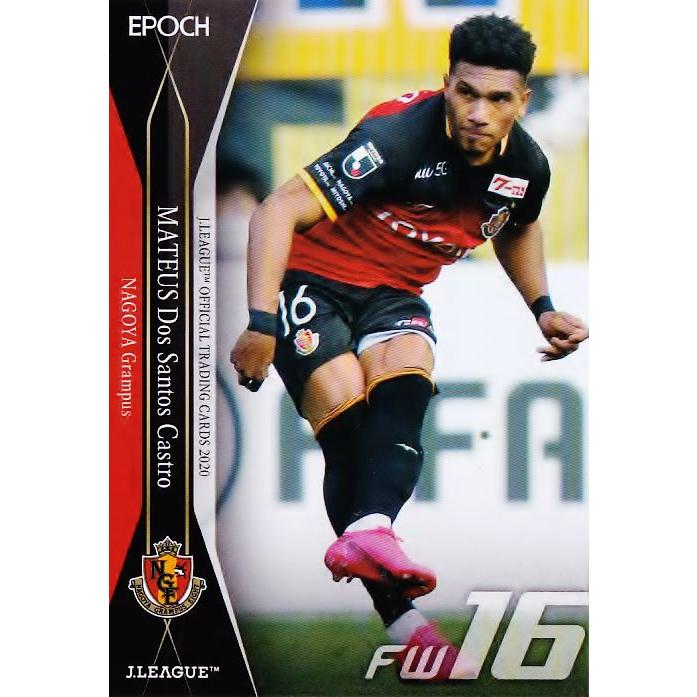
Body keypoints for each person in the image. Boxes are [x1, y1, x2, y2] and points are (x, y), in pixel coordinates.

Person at [230, 13, 588, 679]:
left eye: (497, 98)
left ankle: (371, 539)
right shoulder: (395, 137)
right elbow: (277, 209)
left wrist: (541, 307)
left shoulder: (525, 167)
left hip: (394, 292)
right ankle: (405, 618)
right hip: (312, 281)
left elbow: (516, 225)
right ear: (446, 84)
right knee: (346, 409)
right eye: (466, 92)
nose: (478, 112)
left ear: (522, 100)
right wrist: (260, 322)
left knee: (409, 372)